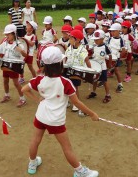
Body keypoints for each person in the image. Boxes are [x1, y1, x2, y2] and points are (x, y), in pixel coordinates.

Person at [21, 46, 99, 177]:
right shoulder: (65, 82)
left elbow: (24, 90)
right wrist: (92, 114)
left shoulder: (39, 79)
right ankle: (80, 171)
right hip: (55, 120)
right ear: (60, 64)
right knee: (67, 147)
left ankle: (32, 163)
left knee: (35, 140)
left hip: (40, 116)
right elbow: (76, 102)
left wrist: (38, 100)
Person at [0, 24, 28, 107]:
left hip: (13, 66)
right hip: (5, 64)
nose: (6, 36)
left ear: (14, 33)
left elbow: (25, 55)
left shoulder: (19, 44)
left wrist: (21, 50)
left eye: (8, 34)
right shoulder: (5, 43)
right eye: (6, 35)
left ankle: (23, 99)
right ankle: (7, 95)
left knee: (16, 83)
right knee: (5, 81)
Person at [64, 29, 91, 116]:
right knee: (66, 86)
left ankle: (76, 104)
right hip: (68, 70)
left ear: (78, 40)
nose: (69, 40)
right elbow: (66, 58)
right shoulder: (69, 47)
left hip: (77, 72)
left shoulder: (82, 50)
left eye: (71, 38)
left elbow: (87, 61)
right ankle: (67, 101)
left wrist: (89, 72)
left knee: (75, 88)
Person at [86, 30, 112, 103]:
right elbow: (94, 55)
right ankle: (93, 92)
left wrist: (109, 64)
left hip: (103, 67)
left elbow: (110, 55)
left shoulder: (105, 47)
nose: (95, 41)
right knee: (94, 80)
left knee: (104, 81)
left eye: (97, 39)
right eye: (95, 39)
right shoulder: (95, 46)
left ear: (102, 39)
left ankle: (108, 95)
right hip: (96, 66)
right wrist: (90, 57)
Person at [107, 23, 126, 92]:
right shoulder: (110, 39)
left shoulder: (121, 40)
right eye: (111, 31)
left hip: (116, 57)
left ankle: (120, 84)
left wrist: (119, 58)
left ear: (119, 31)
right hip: (109, 57)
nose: (112, 33)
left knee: (116, 71)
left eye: (114, 31)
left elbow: (123, 51)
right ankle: (103, 81)